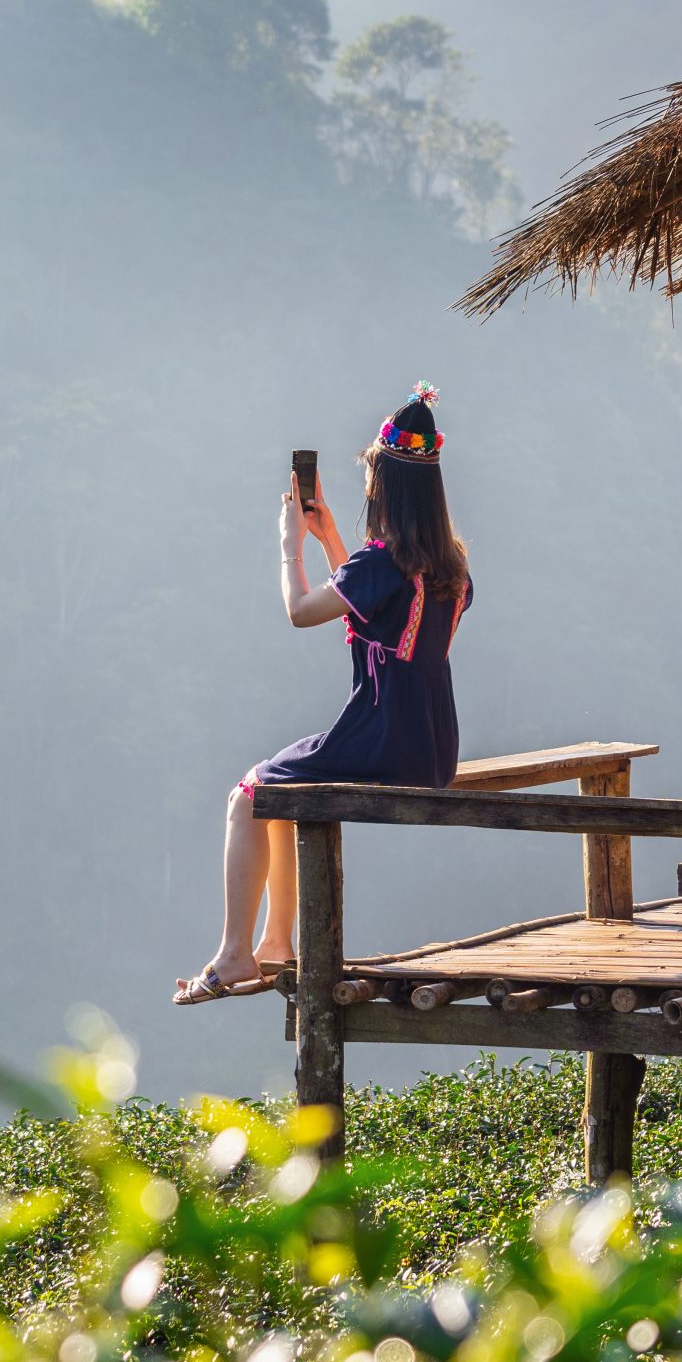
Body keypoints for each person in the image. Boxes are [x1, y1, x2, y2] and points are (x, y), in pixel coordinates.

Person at [175, 384, 474, 1004]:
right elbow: (382, 615)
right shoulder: (450, 567)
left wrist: (290, 548)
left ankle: (237, 953)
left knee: (248, 795)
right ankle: (275, 946)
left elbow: (303, 612)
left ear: (384, 487)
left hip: (379, 736)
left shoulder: (382, 562)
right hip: (432, 748)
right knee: (279, 789)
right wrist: (332, 540)